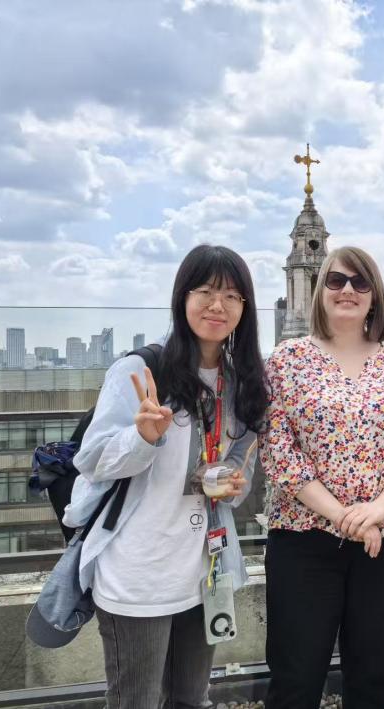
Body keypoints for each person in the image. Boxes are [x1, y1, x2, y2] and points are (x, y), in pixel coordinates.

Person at [70, 244, 268, 709]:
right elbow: (92, 460)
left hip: (203, 572)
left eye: (232, 296)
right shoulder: (140, 371)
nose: (218, 306)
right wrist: (142, 437)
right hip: (139, 574)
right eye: (206, 292)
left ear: (245, 308)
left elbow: (236, 462)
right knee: (137, 701)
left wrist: (231, 480)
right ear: (182, 297)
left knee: (191, 699)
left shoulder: (238, 382)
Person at [259, 246, 384, 709]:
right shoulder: (287, 359)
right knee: (296, 676)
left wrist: (377, 511)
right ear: (321, 290)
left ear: (375, 295)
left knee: (371, 675)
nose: (348, 290)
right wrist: (345, 518)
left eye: (360, 282)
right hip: (305, 537)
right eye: (336, 280)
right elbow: (279, 452)